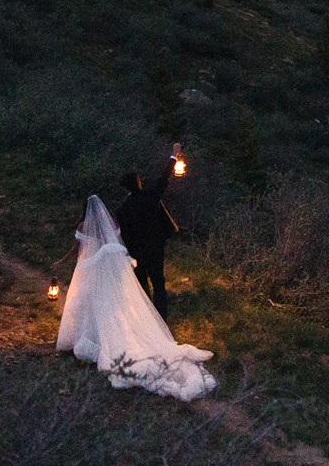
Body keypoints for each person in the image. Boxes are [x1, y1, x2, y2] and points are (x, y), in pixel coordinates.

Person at [55, 194, 214, 401]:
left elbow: (78, 250)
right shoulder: (111, 223)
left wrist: (63, 261)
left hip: (94, 271)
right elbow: (117, 241)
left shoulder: (83, 224)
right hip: (110, 272)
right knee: (113, 305)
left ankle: (95, 336)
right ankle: (109, 333)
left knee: (91, 303)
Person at [115, 169, 181, 318]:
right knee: (159, 283)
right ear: (138, 182)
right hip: (156, 248)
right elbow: (163, 179)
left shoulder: (122, 209)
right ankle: (161, 318)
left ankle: (147, 319)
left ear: (125, 188)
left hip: (137, 253)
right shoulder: (151, 196)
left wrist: (132, 256)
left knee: (143, 286)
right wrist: (174, 155)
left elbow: (125, 236)